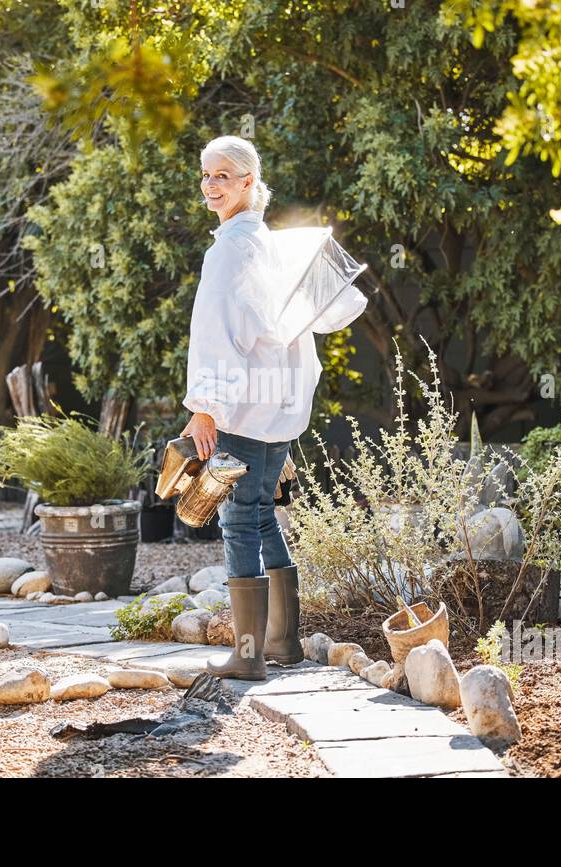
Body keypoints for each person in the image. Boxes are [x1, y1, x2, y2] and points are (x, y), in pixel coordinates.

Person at [183, 135, 366, 680]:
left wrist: (205, 408)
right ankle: (282, 642)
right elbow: (291, 334)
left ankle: (246, 655)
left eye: (222, 176)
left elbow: (216, 335)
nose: (211, 185)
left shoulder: (231, 251)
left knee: (239, 519)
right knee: (261, 513)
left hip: (241, 408)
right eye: (206, 175)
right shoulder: (266, 244)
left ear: (247, 183)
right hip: (277, 407)